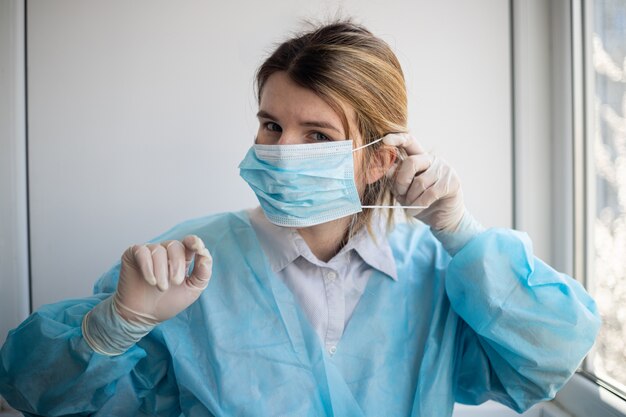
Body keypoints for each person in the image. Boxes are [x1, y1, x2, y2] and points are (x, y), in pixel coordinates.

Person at [0, 21, 600, 417]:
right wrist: (118, 323)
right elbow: (37, 391)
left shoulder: (441, 271)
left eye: (317, 134)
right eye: (271, 125)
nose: (283, 150)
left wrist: (459, 230)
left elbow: (551, 355)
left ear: (379, 159)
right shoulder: (187, 266)